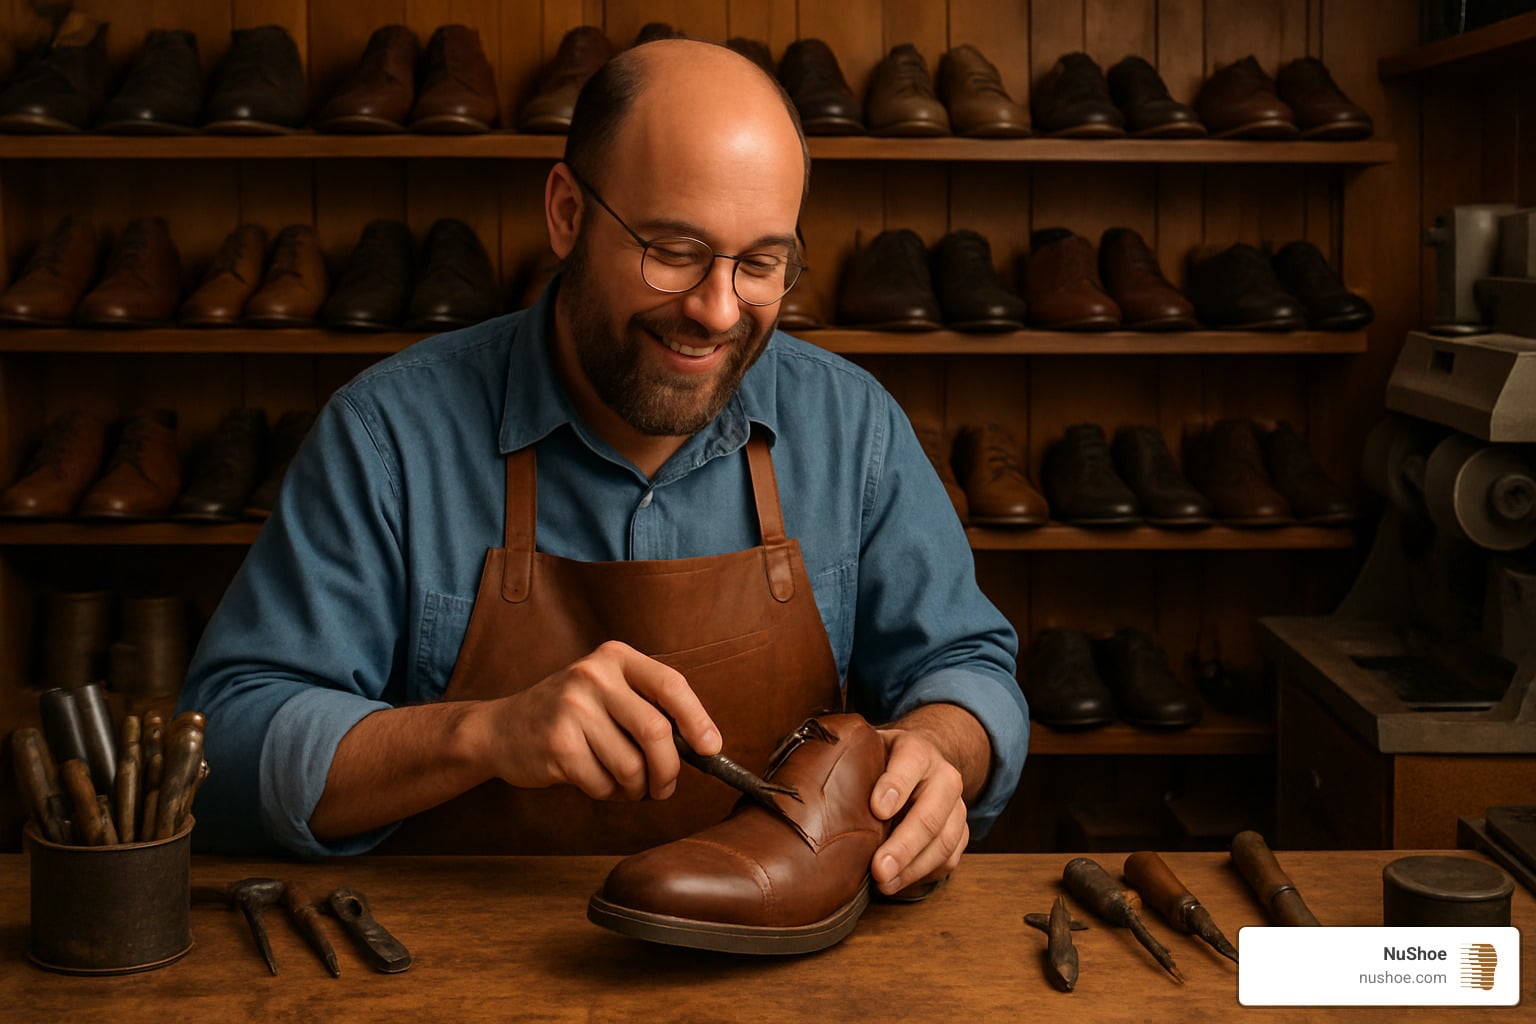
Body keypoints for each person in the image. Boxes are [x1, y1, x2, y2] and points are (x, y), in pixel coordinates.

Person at [179, 37, 1027, 899]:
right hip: (448, 964)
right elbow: (227, 747)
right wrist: (481, 735)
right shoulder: (389, 434)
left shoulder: (851, 427)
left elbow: (967, 667)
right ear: (567, 214)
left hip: (792, 969)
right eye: (675, 250)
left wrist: (944, 744)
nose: (716, 309)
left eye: (761, 264)